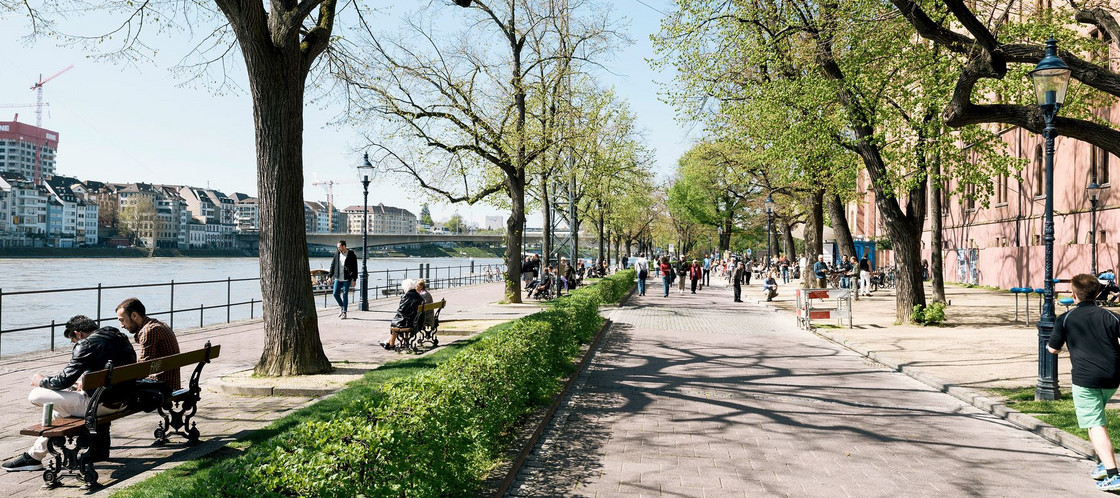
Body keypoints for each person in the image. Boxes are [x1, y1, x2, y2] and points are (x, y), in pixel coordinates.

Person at [3, 317, 136, 472]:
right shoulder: (117, 336)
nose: (74, 344)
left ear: (78, 334)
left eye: (72, 340)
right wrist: (86, 385)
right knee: (59, 414)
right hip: (123, 401)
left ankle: (33, 457)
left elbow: (63, 380)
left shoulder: (86, 344)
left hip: (100, 405)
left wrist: (41, 381)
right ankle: (33, 457)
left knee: (35, 395)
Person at [1046, 274, 1120, 491]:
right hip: (1113, 378)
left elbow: (1053, 349)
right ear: (1097, 294)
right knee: (1093, 419)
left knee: (1095, 423)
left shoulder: (1066, 319)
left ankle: (1114, 474)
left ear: (1074, 294)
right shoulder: (1110, 316)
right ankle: (1102, 465)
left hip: (1086, 380)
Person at [116, 297, 182, 391]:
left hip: (162, 385)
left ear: (134, 315)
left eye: (122, 320)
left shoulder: (149, 331)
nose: (121, 325)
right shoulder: (159, 324)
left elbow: (143, 368)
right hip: (171, 381)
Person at [381, 279, 424, 350]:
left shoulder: (406, 296)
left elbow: (401, 310)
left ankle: (391, 344)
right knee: (398, 321)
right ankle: (390, 342)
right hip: (416, 321)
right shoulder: (418, 296)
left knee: (395, 323)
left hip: (409, 322)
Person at [330, 240, 358, 319]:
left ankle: (344, 312)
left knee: (345, 294)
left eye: (339, 247)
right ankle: (342, 306)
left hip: (347, 278)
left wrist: (354, 279)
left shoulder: (351, 254)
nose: (338, 248)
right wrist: (330, 276)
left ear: (344, 246)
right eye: (337, 247)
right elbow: (333, 265)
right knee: (335, 293)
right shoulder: (337, 254)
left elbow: (355, 267)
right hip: (338, 277)